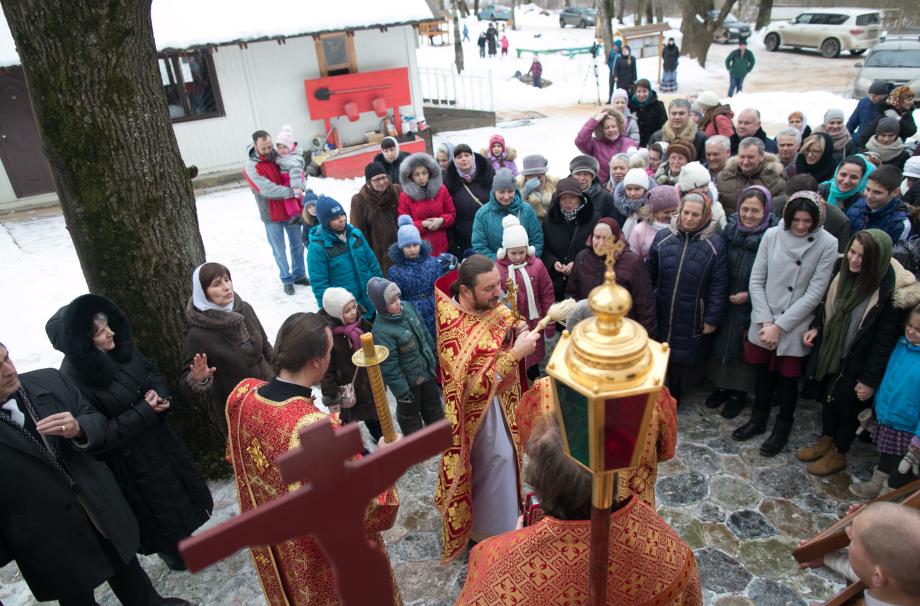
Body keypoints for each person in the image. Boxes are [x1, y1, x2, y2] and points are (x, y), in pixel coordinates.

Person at [226, 312, 400, 606]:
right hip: (321, 560)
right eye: (330, 352)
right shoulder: (312, 430)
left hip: (280, 546)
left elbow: (240, 459)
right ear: (316, 361)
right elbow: (373, 506)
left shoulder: (242, 398)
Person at [0, 343, 190, 606]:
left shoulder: (49, 380)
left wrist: (79, 428)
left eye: (7, 357)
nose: (9, 370)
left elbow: (96, 419)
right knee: (77, 595)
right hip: (45, 529)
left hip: (95, 501)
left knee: (126, 566)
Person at [455, 415, 703, 606]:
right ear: (615, 473)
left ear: (539, 485)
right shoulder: (661, 541)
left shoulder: (495, 560)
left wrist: (516, 540)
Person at [45, 295, 212, 572]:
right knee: (157, 511)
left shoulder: (120, 349)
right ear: (82, 342)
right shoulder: (73, 381)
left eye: (107, 326)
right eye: (99, 332)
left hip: (159, 441)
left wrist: (161, 396)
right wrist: (145, 411)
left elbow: (151, 370)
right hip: (131, 462)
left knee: (177, 495)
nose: (110, 333)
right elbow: (100, 433)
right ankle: (174, 554)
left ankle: (187, 542)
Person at [434, 255, 540, 559]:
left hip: (502, 404)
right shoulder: (451, 322)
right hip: (477, 418)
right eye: (489, 289)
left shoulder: (487, 305)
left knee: (509, 459)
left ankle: (505, 521)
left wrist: (515, 328)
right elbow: (469, 387)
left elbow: (502, 320)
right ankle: (493, 534)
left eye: (498, 285)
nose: (498, 294)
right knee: (495, 463)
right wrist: (514, 354)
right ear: (465, 291)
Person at [799, 229, 918, 475]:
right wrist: (817, 329)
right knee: (829, 399)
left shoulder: (890, 292)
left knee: (849, 407)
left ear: (876, 260)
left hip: (861, 363)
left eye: (862, 257)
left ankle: (839, 452)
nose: (853, 259)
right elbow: (829, 310)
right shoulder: (843, 272)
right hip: (835, 353)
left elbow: (883, 343)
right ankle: (826, 438)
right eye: (852, 252)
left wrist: (869, 381)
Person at [733, 191, 838, 456]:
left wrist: (780, 327)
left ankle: (783, 425)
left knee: (787, 379)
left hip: (795, 322)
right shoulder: (771, 235)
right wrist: (766, 320)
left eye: (808, 221)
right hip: (764, 317)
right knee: (762, 373)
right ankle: (758, 417)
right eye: (797, 220)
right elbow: (757, 280)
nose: (801, 226)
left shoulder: (827, 243)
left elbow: (816, 292)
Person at [647, 190, 728, 400]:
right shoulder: (664, 237)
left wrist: (711, 317)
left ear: (705, 216)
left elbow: (718, 285)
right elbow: (649, 274)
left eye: (695, 214)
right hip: (662, 306)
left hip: (692, 311)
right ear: (679, 211)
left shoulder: (715, 244)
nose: (689, 218)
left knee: (682, 356)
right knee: (660, 348)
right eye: (686, 213)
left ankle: (675, 393)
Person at [706, 186, 778, 419]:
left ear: (765, 211)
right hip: (726, 296)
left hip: (754, 302)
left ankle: (738, 393)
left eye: (755, 211)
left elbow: (775, 275)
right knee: (722, 341)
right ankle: (721, 386)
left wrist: (750, 294)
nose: (748, 215)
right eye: (745, 209)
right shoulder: (729, 232)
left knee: (744, 345)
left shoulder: (773, 237)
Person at [181, 262, 274, 432]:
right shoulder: (198, 335)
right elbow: (186, 387)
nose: (226, 287)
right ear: (204, 293)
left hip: (272, 395)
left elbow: (266, 347)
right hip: (243, 413)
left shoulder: (245, 308)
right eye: (217, 284)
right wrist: (199, 379)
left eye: (227, 280)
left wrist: (283, 379)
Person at [850, 303, 920, 497]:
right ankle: (877, 483)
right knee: (887, 454)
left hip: (910, 426)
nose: (912, 332)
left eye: (919, 330)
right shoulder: (900, 345)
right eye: (910, 326)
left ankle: (890, 495)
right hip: (890, 416)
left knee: (901, 466)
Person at [368, 277, 443, 437]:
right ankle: (416, 443)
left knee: (433, 404)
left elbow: (423, 331)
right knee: (410, 414)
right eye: (391, 301)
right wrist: (401, 391)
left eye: (397, 297)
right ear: (382, 306)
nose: (397, 302)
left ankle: (438, 435)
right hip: (409, 383)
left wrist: (434, 354)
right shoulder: (381, 331)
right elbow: (389, 366)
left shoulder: (408, 308)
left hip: (426, 370)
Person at [566, 217, 657, 334]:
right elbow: (571, 294)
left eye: (606, 238)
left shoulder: (632, 263)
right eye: (597, 237)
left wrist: (645, 339)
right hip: (590, 330)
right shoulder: (582, 258)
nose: (601, 243)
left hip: (622, 331)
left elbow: (645, 306)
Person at [243, 130, 307, 295]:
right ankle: (286, 278)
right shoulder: (250, 166)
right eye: (264, 148)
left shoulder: (279, 155)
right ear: (255, 146)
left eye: (270, 146)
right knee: (279, 250)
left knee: (297, 245)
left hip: (290, 210)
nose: (268, 150)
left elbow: (296, 169)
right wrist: (291, 192)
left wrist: (300, 186)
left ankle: (299, 274)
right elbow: (266, 189)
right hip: (271, 214)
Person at [318, 288, 383, 443]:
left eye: (354, 307)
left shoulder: (363, 325)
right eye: (347, 311)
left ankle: (380, 438)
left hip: (367, 384)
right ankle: (352, 448)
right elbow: (326, 371)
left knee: (374, 417)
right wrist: (331, 395)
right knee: (347, 424)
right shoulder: (329, 338)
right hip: (346, 390)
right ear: (336, 314)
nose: (354, 312)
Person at [495, 216, 555, 382]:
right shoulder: (499, 270)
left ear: (528, 249)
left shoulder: (537, 266)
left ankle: (534, 377)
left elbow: (547, 292)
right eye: (513, 253)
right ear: (505, 251)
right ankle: (518, 382)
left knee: (533, 352)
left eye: (522, 252)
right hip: (512, 323)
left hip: (535, 319)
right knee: (515, 354)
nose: (518, 256)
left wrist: (549, 321)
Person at [542, 174, 604, 299]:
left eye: (572, 197)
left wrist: (577, 263)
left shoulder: (593, 218)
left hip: (585, 281)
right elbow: (544, 248)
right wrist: (553, 262)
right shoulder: (550, 220)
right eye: (563, 198)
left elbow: (599, 249)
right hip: (558, 282)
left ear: (580, 198)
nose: (568, 202)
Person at [388, 215, 443, 339]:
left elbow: (439, 288)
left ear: (420, 244)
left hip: (434, 308)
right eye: (408, 246)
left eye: (415, 245)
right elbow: (398, 297)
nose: (412, 249)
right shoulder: (395, 271)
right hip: (412, 313)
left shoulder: (433, 263)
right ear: (401, 248)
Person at [472, 168, 543, 259]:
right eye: (501, 192)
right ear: (494, 192)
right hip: (497, 269)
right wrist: (500, 265)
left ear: (515, 190)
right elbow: (480, 246)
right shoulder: (482, 214)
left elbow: (536, 239)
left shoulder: (527, 210)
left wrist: (528, 261)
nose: (506, 197)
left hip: (526, 266)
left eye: (510, 191)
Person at [397, 152, 457, 257]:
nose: (421, 178)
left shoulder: (441, 189)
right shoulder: (405, 196)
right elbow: (404, 225)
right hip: (418, 249)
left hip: (442, 246)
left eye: (424, 173)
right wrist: (423, 224)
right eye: (417, 174)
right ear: (410, 177)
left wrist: (441, 220)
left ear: (430, 173)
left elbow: (452, 214)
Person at [443, 143, 495, 256]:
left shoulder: (488, 174)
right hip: (466, 238)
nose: (464, 159)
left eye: (466, 155)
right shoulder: (449, 182)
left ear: (473, 157)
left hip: (491, 232)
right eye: (459, 157)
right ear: (454, 160)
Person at [351, 162, 400, 277]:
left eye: (384, 177)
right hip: (380, 259)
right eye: (377, 179)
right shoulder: (359, 201)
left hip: (404, 251)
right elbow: (359, 235)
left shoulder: (396, 191)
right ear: (368, 182)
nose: (382, 182)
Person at [716, 137, 787, 214]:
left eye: (750, 157)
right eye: (742, 157)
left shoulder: (775, 179)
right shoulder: (724, 176)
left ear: (761, 156)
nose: (745, 162)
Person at [848, 165, 912, 243]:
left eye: (877, 192)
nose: (869, 196)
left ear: (895, 192)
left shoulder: (900, 224)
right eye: (867, 189)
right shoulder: (856, 206)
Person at [575, 108, 637, 185]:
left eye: (614, 126)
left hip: (627, 188)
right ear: (601, 130)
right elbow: (580, 141)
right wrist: (594, 121)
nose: (611, 130)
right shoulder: (595, 144)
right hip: (601, 189)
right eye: (607, 127)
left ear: (619, 127)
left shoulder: (629, 143)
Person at [629, 185, 680, 261]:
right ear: (654, 212)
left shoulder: (681, 227)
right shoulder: (640, 229)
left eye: (674, 211)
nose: (671, 215)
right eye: (666, 212)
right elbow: (633, 257)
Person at [272, 125, 306, 223]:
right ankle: (303, 213)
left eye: (285, 147)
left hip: (291, 181)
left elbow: (295, 172)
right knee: (299, 198)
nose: (282, 150)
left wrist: (296, 186)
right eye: (279, 147)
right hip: (287, 180)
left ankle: (295, 214)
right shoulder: (281, 156)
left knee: (289, 197)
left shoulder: (292, 158)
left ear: (290, 147)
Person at [569, 154, 615, 222]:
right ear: (572, 176)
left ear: (592, 177)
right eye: (578, 174)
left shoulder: (605, 197)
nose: (582, 178)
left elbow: (610, 222)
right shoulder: (560, 195)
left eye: (586, 174)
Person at [612, 167, 655, 237]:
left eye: (637, 189)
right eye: (629, 189)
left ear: (645, 189)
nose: (632, 193)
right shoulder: (617, 207)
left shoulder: (653, 209)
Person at [516, 154, 557, 219]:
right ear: (526, 178)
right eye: (531, 177)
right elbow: (517, 212)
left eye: (539, 177)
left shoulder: (555, 187)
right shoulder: (516, 189)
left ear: (544, 175)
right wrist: (524, 196)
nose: (536, 180)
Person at [629, 79, 668, 147]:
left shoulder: (658, 106)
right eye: (639, 91)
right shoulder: (629, 105)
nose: (641, 94)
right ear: (635, 92)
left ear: (649, 91)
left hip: (653, 143)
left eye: (644, 91)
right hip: (634, 144)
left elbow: (664, 125)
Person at [606, 39, 622, 103]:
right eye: (614, 45)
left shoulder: (620, 54)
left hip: (618, 74)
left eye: (616, 46)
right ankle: (610, 99)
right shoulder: (612, 52)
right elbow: (609, 61)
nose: (614, 47)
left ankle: (618, 100)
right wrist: (610, 67)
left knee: (618, 87)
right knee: (611, 86)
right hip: (611, 72)